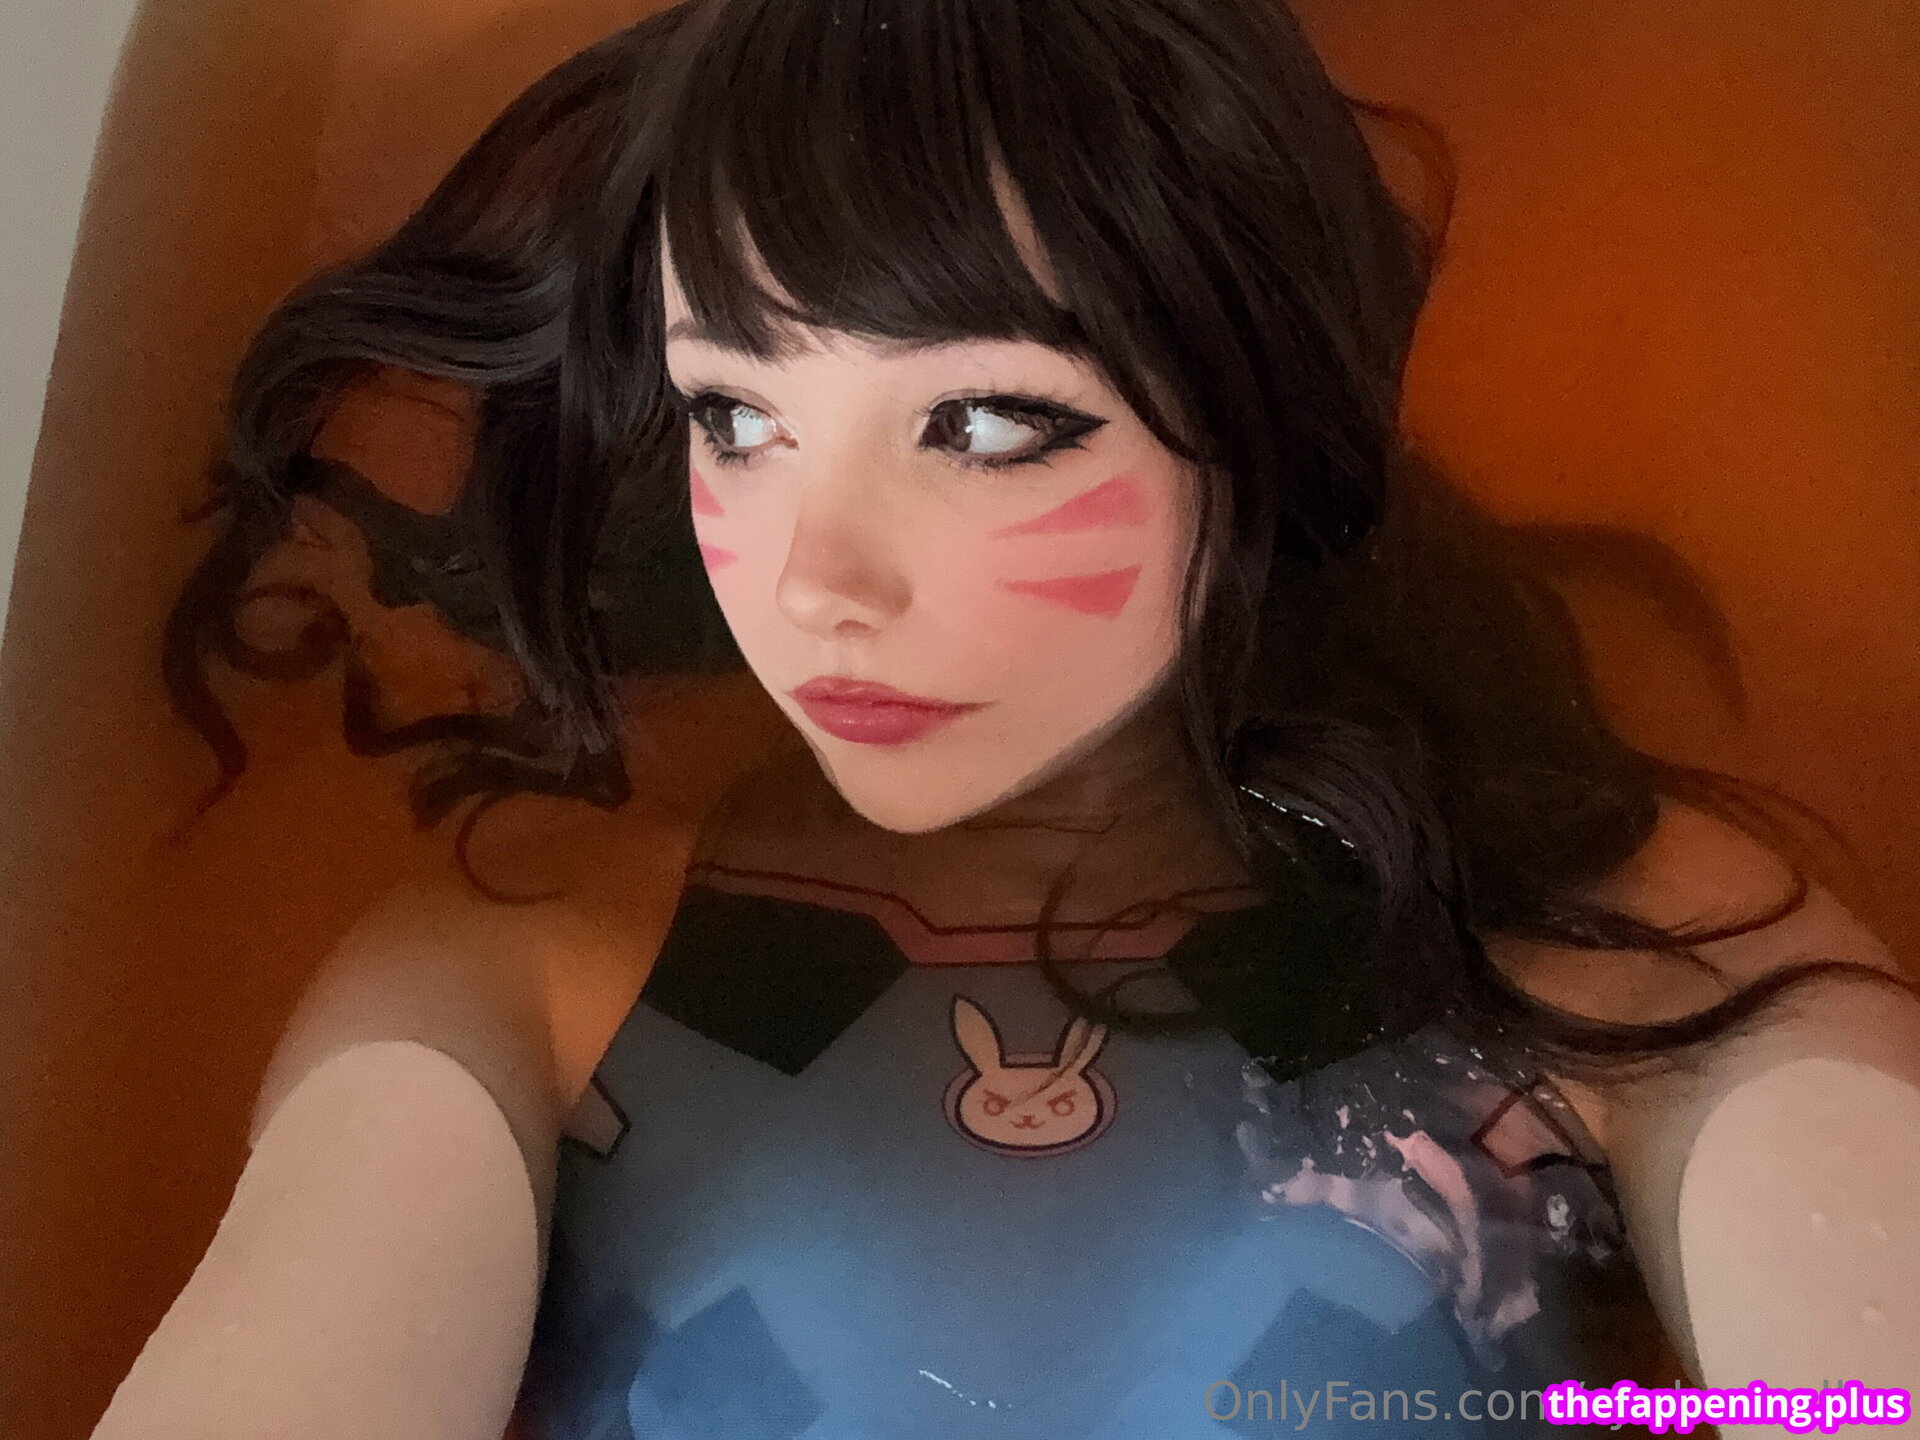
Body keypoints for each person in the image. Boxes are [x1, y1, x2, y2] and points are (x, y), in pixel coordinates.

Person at [96, 0, 1920, 1436]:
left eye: (981, 425)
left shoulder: (1625, 951)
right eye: (738, 417)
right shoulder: (532, 964)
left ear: (1259, 416)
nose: (816, 581)